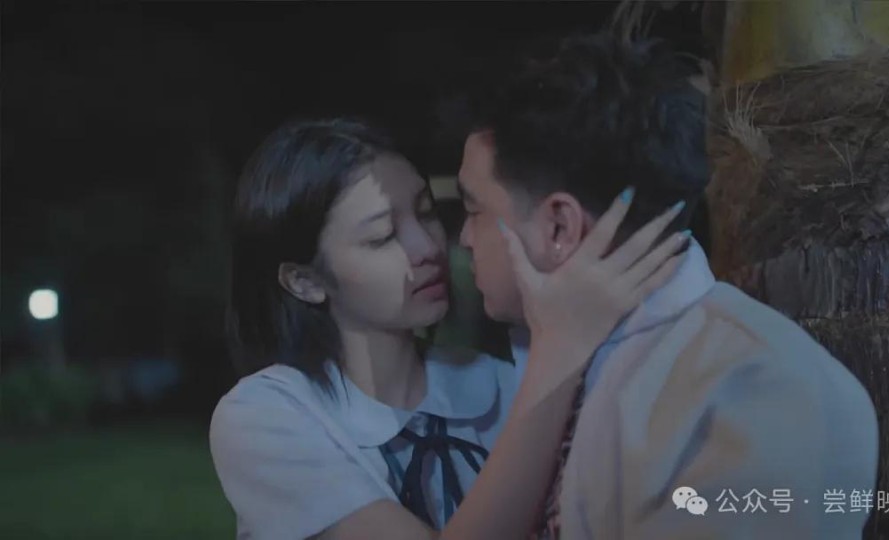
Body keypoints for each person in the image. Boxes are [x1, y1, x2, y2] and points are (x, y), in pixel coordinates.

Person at [456, 34, 880, 539]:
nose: (463, 238)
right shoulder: (548, 353)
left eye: (474, 210)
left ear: (559, 227)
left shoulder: (760, 388)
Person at [209, 118, 689, 539]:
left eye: (426, 213)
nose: (427, 247)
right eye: (382, 237)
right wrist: (561, 345)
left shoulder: (502, 383)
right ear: (306, 281)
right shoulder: (268, 417)